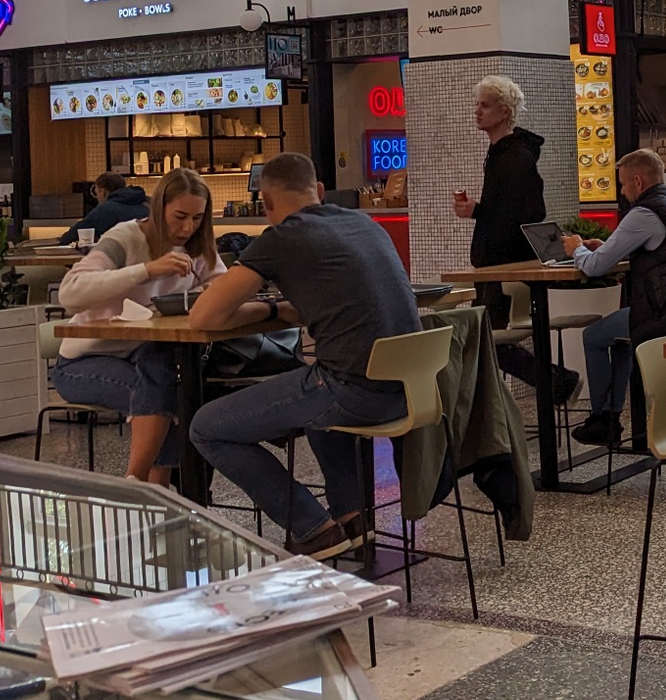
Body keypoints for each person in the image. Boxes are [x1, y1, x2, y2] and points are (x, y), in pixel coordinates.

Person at [187, 151, 422, 557]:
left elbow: (203, 316)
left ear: (266, 203)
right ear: (320, 191)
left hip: (354, 391)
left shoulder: (282, 237)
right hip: (412, 388)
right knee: (317, 412)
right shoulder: (363, 223)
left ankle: (314, 530)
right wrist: (282, 307)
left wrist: (272, 309)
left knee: (206, 428)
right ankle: (353, 520)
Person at [52, 168, 223, 482]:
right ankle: (142, 485)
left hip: (147, 357)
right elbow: (70, 293)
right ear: (158, 208)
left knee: (173, 382)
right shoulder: (125, 237)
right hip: (81, 362)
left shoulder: (197, 245)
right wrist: (146, 270)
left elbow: (221, 286)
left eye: (197, 218)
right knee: (167, 394)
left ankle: (154, 492)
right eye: (180, 217)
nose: (188, 228)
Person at [561, 148, 666, 446]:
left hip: (664, 317)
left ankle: (603, 418)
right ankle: (609, 416)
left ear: (638, 181)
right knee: (621, 336)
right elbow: (662, 249)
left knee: (594, 336)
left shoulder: (644, 213)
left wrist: (577, 248)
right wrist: (608, 247)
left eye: (623, 184)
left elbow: (594, 267)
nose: (622, 191)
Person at [449, 74, 580, 398]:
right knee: (483, 340)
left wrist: (481, 213)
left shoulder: (513, 158)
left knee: (486, 341)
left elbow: (525, 212)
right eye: (476, 105)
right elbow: (510, 209)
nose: (477, 111)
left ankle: (557, 382)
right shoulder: (505, 154)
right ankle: (551, 384)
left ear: (505, 111)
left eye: (485, 105)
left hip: (501, 265)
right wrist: (478, 211)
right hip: (495, 264)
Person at [60, 171, 149, 245]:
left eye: (96, 193)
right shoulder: (148, 204)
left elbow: (69, 238)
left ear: (103, 191)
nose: (97, 198)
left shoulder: (104, 209)